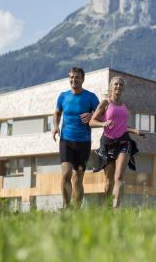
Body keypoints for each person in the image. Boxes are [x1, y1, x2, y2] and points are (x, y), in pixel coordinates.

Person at [89, 76, 144, 208]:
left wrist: (135, 131)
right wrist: (103, 123)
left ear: (123, 88)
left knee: (119, 177)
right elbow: (91, 122)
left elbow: (122, 126)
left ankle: (116, 209)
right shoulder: (105, 103)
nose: (118, 86)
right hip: (107, 143)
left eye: (120, 85)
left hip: (123, 142)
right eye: (115, 84)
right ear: (111, 87)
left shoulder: (124, 107)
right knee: (109, 182)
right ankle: (108, 207)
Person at [53, 67, 100, 208]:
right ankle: (67, 207)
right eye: (71, 77)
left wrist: (92, 115)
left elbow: (102, 114)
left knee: (77, 179)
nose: (74, 80)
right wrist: (55, 126)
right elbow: (57, 113)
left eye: (77, 77)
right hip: (66, 140)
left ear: (82, 79)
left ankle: (76, 211)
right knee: (66, 174)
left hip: (83, 142)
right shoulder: (63, 96)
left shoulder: (91, 97)